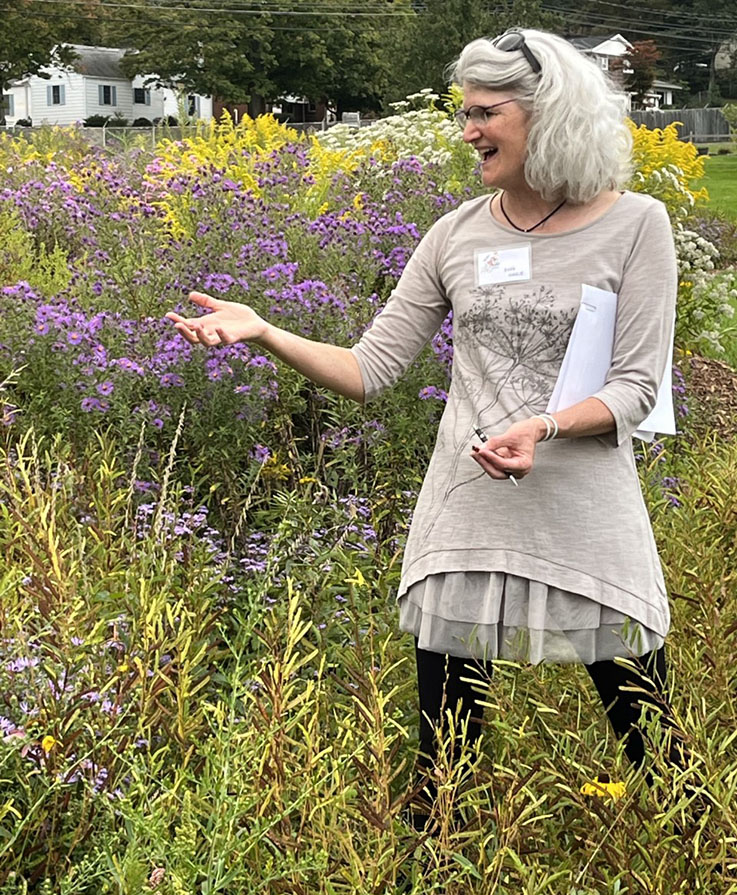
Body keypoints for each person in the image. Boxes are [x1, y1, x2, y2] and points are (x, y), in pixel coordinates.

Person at [165, 28, 688, 828]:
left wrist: (542, 427)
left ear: (547, 113)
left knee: (648, 729)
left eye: (485, 112)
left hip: (584, 509)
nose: (468, 130)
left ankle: (704, 865)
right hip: (464, 507)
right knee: (442, 753)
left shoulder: (636, 224)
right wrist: (264, 331)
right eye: (463, 113)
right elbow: (369, 368)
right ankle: (434, 893)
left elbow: (636, 386)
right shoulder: (455, 233)